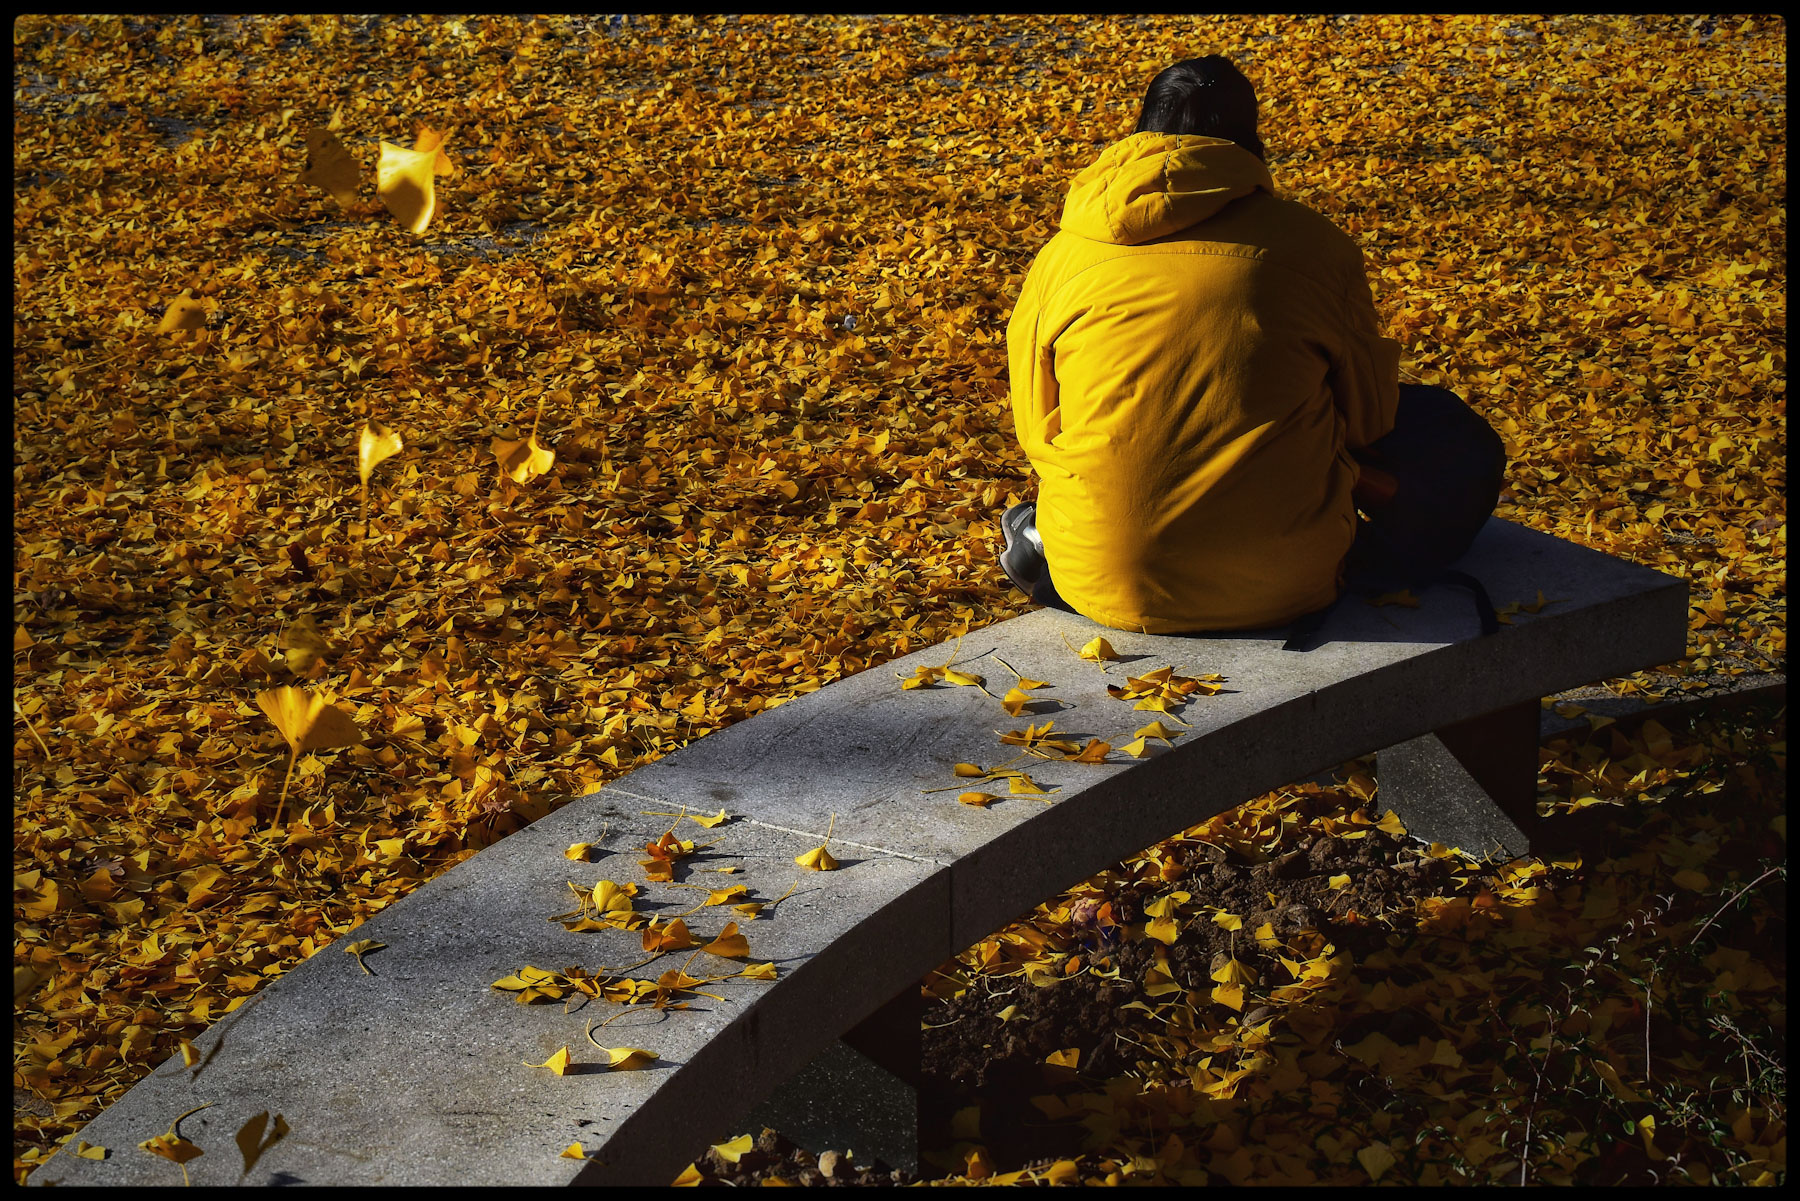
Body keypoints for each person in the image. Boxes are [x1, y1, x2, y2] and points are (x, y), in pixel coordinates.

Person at [1000, 56, 1503, 638]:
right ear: (1250, 140)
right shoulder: (1314, 244)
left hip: (1098, 581)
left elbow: (1035, 428)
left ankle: (1046, 538)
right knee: (1445, 426)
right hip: (1289, 584)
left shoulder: (1062, 256)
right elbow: (1371, 417)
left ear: (1140, 132)